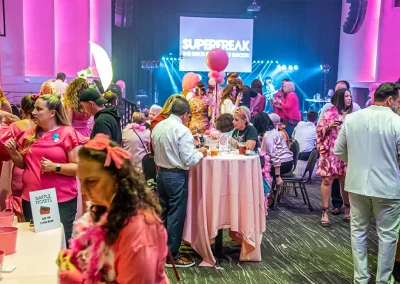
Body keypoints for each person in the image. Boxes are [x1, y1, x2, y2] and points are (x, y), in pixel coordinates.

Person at [57, 134, 169, 283]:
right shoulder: (104, 209)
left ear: (117, 179)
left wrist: (78, 280)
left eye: (91, 181)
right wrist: (78, 261)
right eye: (81, 180)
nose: (83, 190)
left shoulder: (139, 231)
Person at [334, 83, 400, 284]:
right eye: (398, 101)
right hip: (388, 187)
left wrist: (356, 162)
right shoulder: (397, 122)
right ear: (389, 100)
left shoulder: (352, 119)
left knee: (358, 232)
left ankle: (361, 278)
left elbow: (338, 150)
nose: (398, 105)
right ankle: (383, 280)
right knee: (387, 236)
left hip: (356, 184)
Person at [4, 94, 86, 242]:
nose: (33, 112)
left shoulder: (68, 133)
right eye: (34, 108)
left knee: (59, 242)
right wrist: (12, 152)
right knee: (36, 242)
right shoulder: (29, 135)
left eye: (39, 109)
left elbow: (79, 167)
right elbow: (22, 164)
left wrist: (56, 167)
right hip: (32, 198)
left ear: (52, 113)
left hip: (60, 200)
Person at [152, 97, 208, 267]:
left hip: (161, 174)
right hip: (176, 175)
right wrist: (202, 153)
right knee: (176, 215)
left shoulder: (158, 125)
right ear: (185, 115)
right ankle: (172, 255)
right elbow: (189, 159)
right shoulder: (182, 130)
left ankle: (160, 251)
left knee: (163, 213)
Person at [316, 88, 353, 226]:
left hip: (346, 153)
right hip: (329, 152)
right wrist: (330, 126)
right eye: (346, 96)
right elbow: (318, 132)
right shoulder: (327, 114)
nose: (349, 98)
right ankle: (325, 211)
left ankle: (347, 209)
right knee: (326, 181)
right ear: (339, 98)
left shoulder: (353, 116)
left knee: (346, 182)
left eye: (350, 96)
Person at [0, 95, 36, 221]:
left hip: (19, 170)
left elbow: (5, 147)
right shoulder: (42, 127)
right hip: (36, 169)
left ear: (22, 109)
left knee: (19, 205)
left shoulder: (15, 126)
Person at [253, 112, 293, 186]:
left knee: (257, 171)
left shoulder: (268, 136)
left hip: (283, 164)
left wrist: (278, 176)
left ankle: (266, 193)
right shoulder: (273, 131)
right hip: (288, 162)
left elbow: (275, 156)